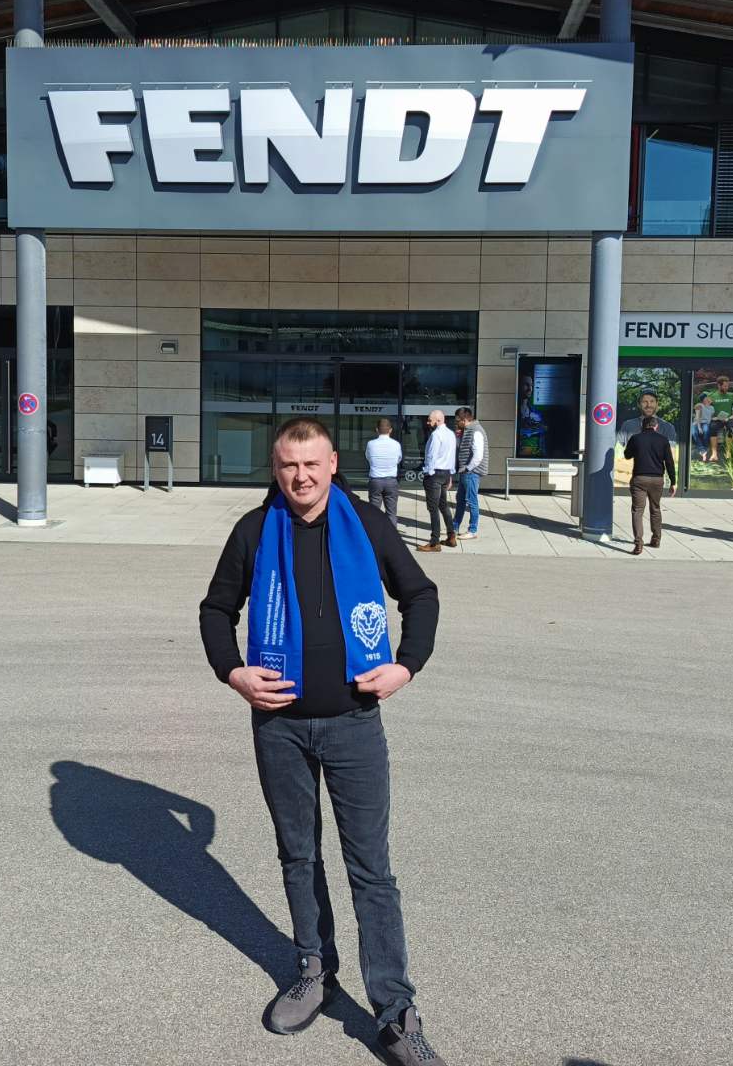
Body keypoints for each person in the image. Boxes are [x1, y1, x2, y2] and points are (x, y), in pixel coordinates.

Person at [197, 417, 448, 1066]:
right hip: (279, 726)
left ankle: (394, 1011)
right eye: (288, 465)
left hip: (354, 724)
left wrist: (406, 665)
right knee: (298, 855)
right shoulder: (255, 531)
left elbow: (420, 595)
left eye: (311, 464)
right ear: (275, 469)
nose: (300, 476)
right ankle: (315, 969)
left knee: (372, 870)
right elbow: (216, 609)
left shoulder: (366, 525)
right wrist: (233, 672)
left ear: (333, 464)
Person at [622, 414, 676, 555]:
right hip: (657, 479)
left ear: (642, 426)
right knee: (655, 509)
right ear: (656, 426)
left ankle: (638, 544)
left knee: (637, 511)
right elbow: (669, 462)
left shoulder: (636, 438)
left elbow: (627, 455)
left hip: (639, 478)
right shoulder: (663, 440)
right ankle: (656, 539)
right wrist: (673, 482)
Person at [418, 408, 456, 553]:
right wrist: (450, 474)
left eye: (430, 420)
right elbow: (452, 456)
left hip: (435, 474)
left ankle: (434, 542)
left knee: (433, 508)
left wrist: (428, 473)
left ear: (438, 420)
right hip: (445, 473)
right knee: (443, 506)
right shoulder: (451, 434)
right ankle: (451, 536)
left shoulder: (436, 435)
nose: (428, 422)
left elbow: (431, 456)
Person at [450, 406, 487, 541]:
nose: (456, 423)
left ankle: (472, 530)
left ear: (464, 420)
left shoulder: (476, 431)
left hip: (471, 472)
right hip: (466, 472)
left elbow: (478, 455)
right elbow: (462, 448)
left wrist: (468, 468)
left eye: (457, 420)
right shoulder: (467, 430)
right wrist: (458, 436)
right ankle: (454, 527)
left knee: (472, 501)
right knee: (460, 499)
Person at [364, 418, 403, 528]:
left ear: (377, 430)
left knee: (374, 512)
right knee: (391, 513)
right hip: (391, 481)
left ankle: (374, 535)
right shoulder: (396, 444)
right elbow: (399, 459)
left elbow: (368, 457)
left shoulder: (371, 444)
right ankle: (392, 536)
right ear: (390, 430)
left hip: (375, 480)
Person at [705, 375, 733, 462]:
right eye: (725, 386)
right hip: (717, 419)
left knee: (731, 428)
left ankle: (728, 452)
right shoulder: (712, 396)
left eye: (727, 386)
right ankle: (714, 454)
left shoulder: (731, 395)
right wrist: (713, 417)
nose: (727, 388)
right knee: (712, 427)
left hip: (729, 418)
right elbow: (706, 408)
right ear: (719, 385)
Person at [690, 394, 714, 461]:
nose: (708, 399)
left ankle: (705, 448)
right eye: (706, 398)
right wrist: (699, 427)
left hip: (705, 423)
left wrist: (718, 418)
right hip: (697, 423)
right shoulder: (699, 405)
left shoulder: (712, 408)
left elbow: (710, 417)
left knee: (706, 431)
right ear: (703, 400)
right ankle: (702, 449)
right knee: (694, 432)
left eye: (708, 397)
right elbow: (697, 417)